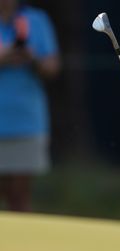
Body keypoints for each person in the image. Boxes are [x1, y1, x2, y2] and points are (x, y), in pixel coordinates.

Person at [0, 0, 60, 211]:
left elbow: (52, 67)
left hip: (25, 121)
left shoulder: (36, 19)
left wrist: (32, 59)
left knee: (19, 197)